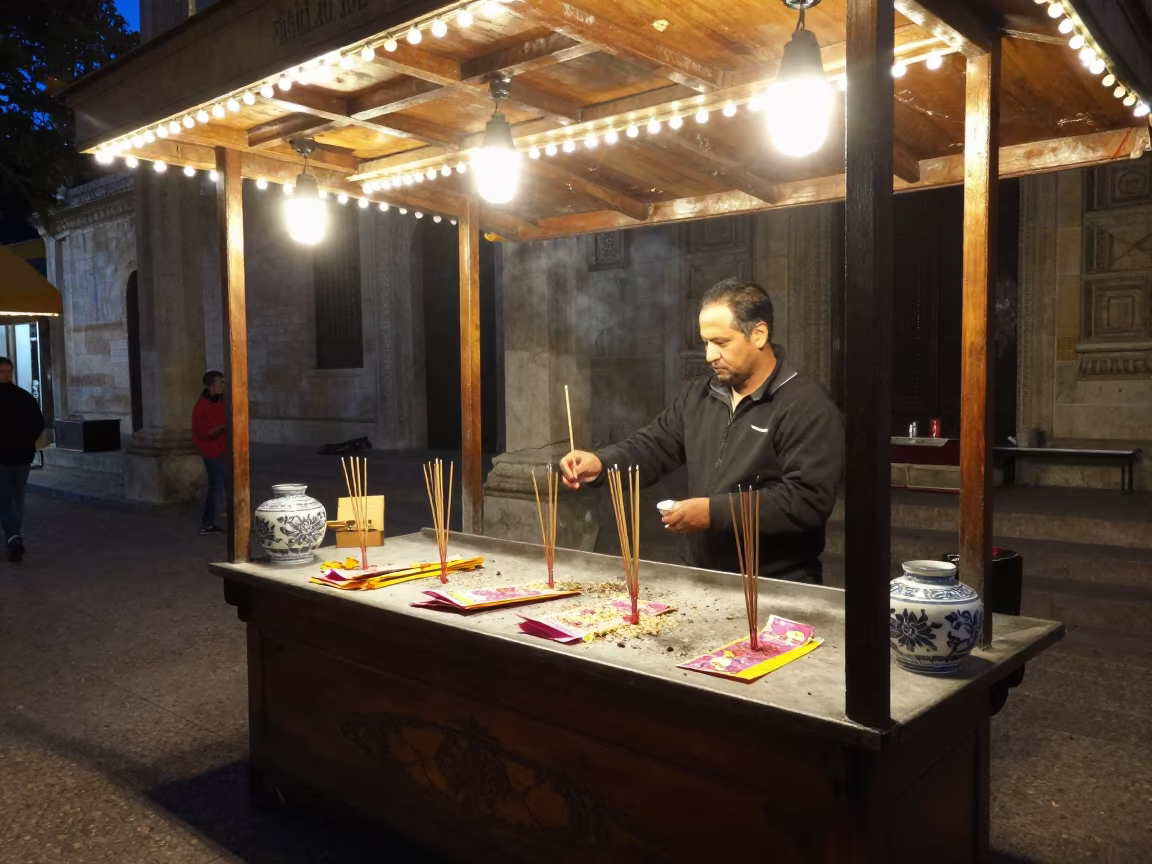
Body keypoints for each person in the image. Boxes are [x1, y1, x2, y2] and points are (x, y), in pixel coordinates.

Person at [561, 278, 844, 584]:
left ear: (759, 334)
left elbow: (805, 502)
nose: (709, 355)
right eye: (706, 342)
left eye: (721, 343)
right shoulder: (701, 394)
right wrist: (601, 463)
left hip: (776, 584)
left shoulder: (806, 405)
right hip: (704, 575)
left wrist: (714, 513)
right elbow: (654, 446)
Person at [0, 357, 44, 563]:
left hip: (4, 457)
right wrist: (27, 442)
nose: (6, 374)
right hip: (22, 455)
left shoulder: (24, 397)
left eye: (7, 371)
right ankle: (15, 533)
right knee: (18, 496)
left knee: (6, 498)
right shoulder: (25, 397)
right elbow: (38, 424)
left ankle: (13, 536)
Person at [193, 371, 228, 535]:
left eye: (222, 382)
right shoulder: (201, 406)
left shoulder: (220, 402)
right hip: (212, 452)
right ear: (209, 386)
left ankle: (236, 518)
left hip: (224, 450)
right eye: (219, 383)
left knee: (231, 485)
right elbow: (202, 432)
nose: (222, 386)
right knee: (215, 488)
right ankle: (207, 523)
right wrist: (221, 428)